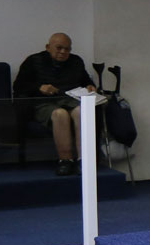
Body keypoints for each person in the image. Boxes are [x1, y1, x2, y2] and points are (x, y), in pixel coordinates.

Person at [13, 33, 96, 176]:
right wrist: (39, 87)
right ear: (48, 47)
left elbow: (86, 80)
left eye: (67, 49)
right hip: (43, 102)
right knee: (60, 114)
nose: (63, 52)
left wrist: (90, 86)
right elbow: (19, 86)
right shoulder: (33, 61)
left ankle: (83, 160)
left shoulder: (76, 61)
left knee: (81, 112)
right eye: (59, 48)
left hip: (70, 99)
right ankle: (66, 160)